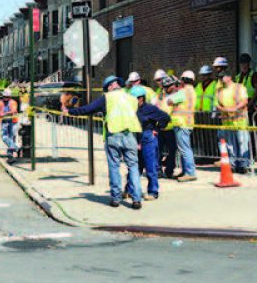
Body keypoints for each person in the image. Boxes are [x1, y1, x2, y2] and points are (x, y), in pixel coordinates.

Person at [65, 76, 143, 209]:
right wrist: (139, 140)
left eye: (107, 88)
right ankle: (136, 199)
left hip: (113, 135)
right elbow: (137, 117)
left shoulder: (107, 98)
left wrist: (70, 112)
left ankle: (116, 199)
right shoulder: (132, 99)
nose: (106, 90)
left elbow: (88, 109)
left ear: (111, 86)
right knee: (133, 167)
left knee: (114, 167)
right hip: (130, 135)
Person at [128, 86, 170, 201]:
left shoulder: (150, 109)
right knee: (135, 166)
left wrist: (157, 129)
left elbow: (165, 118)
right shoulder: (132, 109)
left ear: (141, 98)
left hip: (148, 138)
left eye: (134, 98)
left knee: (150, 166)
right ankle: (129, 190)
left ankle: (153, 191)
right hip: (136, 137)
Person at [214, 68, 251, 174]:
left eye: (222, 77)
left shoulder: (239, 87)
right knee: (230, 145)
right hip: (227, 122)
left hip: (240, 121)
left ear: (229, 77)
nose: (220, 79)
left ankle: (243, 165)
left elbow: (244, 101)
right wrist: (225, 110)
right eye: (219, 77)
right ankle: (233, 164)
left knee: (242, 142)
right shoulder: (219, 90)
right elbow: (216, 104)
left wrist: (234, 108)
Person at [156, 76, 180, 178]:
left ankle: (169, 170)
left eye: (167, 86)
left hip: (171, 128)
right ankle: (158, 170)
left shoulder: (177, 96)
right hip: (160, 128)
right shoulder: (161, 96)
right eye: (164, 86)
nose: (165, 88)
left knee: (172, 151)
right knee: (157, 150)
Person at [0, 89, 20, 161]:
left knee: (12, 137)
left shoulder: (13, 102)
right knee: (4, 137)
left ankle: (10, 154)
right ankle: (16, 148)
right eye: (4, 96)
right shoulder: (0, 102)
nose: (5, 98)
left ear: (10, 97)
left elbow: (13, 110)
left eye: (7, 97)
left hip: (13, 121)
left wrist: (4, 113)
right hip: (4, 121)